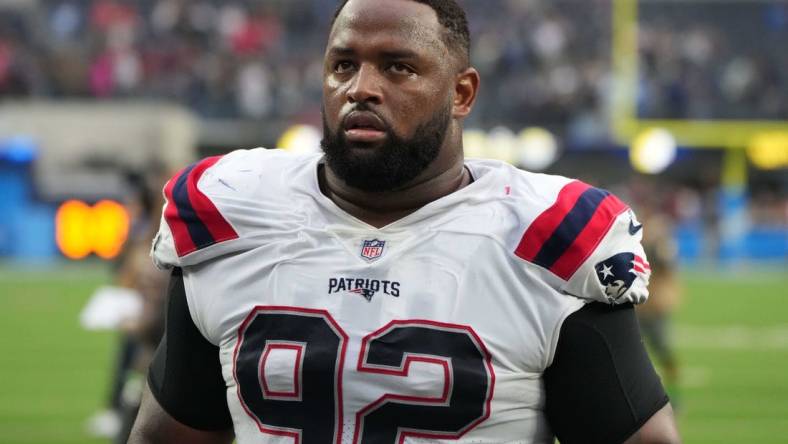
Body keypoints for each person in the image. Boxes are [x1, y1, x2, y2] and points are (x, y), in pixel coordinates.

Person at [129, 1, 681, 443]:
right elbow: (171, 432)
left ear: (461, 93)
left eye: (399, 66)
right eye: (343, 65)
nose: (360, 88)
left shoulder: (548, 240)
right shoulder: (232, 212)